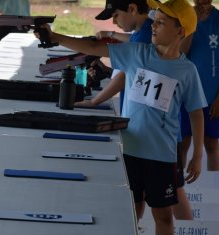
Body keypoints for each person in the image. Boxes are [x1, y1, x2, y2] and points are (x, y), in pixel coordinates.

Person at [35, 0, 207, 235]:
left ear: (180, 30)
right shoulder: (137, 53)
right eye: (154, 21)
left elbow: (196, 112)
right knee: (131, 213)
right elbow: (95, 47)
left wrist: (198, 154)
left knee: (164, 218)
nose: (154, 26)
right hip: (129, 149)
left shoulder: (187, 70)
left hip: (162, 155)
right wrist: (56, 37)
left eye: (161, 23)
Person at [76, 0, 194, 221]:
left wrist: (95, 101)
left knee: (171, 195)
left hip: (159, 139)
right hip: (151, 136)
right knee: (152, 198)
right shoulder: (146, 34)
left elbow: (122, 76)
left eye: (116, 15)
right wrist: (111, 36)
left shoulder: (148, 37)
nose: (115, 21)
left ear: (132, 9)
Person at [179, 0, 219, 171]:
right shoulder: (185, 19)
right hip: (185, 93)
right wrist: (192, 23)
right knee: (182, 142)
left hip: (211, 97)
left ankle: (214, 186)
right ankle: (179, 189)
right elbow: (181, 53)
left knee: (211, 144)